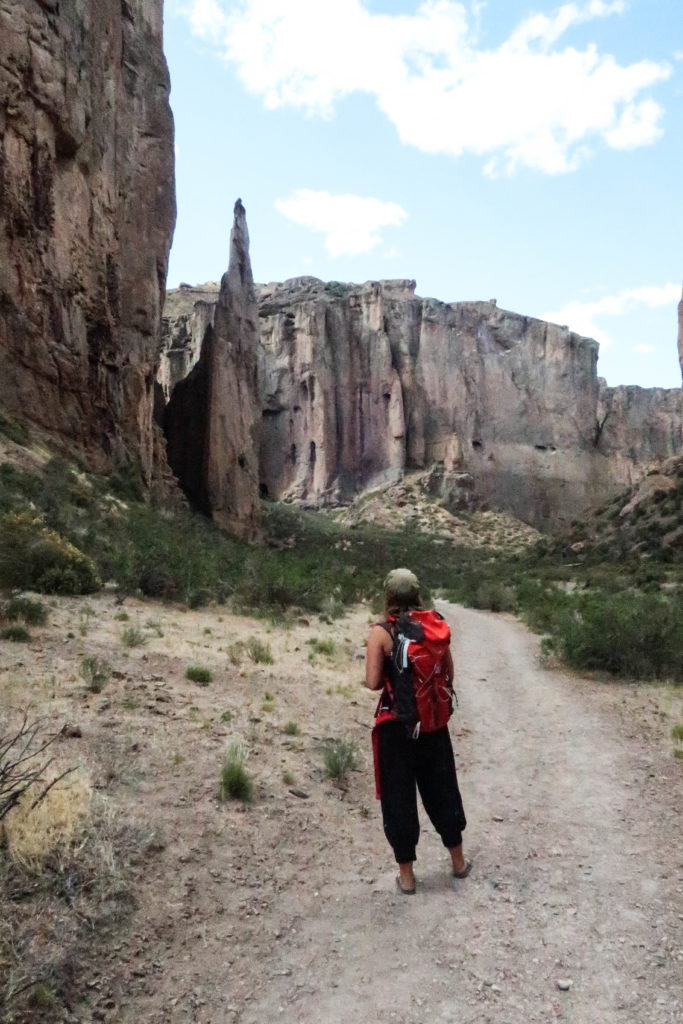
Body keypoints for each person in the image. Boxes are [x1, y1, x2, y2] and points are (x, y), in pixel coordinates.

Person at [365, 568, 470, 894]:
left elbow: (371, 682)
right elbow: (449, 672)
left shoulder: (381, 632)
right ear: (417, 595)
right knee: (442, 790)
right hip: (432, 724)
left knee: (399, 798)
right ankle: (458, 863)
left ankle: (408, 878)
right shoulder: (434, 626)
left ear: (388, 597)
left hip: (396, 728)